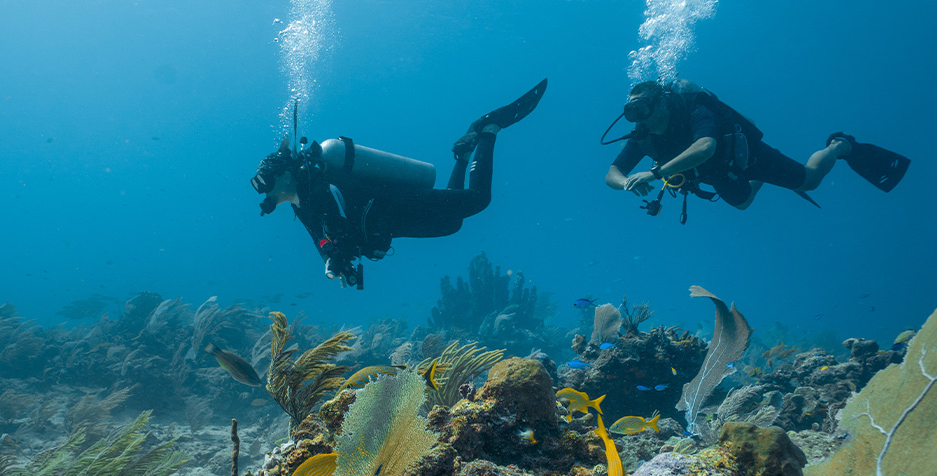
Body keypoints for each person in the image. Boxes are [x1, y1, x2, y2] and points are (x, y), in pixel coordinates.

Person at [251, 79, 548, 288]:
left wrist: (338, 257)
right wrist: (331, 258)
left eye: (265, 182)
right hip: (389, 225)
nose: (263, 190)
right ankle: (463, 153)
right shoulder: (300, 204)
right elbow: (322, 238)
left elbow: (338, 214)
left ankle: (488, 130)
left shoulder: (316, 188)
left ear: (285, 175)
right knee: (452, 225)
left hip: (393, 204)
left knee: (478, 200)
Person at [603, 80, 909, 217]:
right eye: (631, 112)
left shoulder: (693, 110)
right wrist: (627, 182)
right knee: (743, 203)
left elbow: (706, 146)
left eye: (642, 109)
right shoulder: (643, 135)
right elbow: (612, 174)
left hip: (744, 152)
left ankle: (840, 145)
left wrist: (655, 173)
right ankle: (759, 180)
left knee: (809, 180)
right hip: (716, 173)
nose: (637, 119)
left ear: (662, 104)